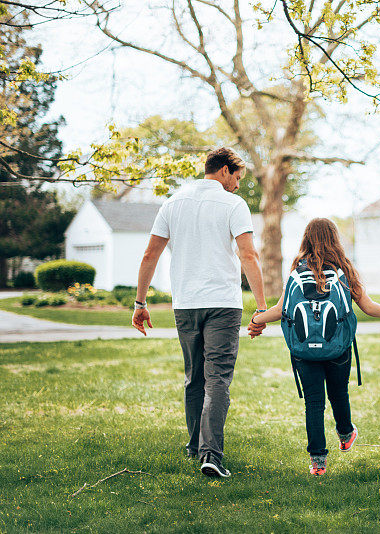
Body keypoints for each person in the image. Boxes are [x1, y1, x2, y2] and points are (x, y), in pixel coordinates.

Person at [131, 147, 268, 478]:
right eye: (236, 177)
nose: (237, 185)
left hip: (186, 304)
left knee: (195, 377)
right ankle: (211, 455)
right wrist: (262, 308)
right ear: (223, 171)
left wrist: (140, 303)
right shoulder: (233, 205)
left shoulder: (172, 202)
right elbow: (248, 255)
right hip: (222, 303)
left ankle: (195, 446)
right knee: (217, 377)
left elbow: (151, 253)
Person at [248, 218, 380, 476]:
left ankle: (318, 462)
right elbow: (367, 306)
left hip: (303, 351)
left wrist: (256, 320)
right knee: (338, 393)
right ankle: (345, 433)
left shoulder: (296, 271)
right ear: (334, 239)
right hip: (338, 348)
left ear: (306, 239)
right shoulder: (344, 269)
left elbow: (280, 310)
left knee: (313, 403)